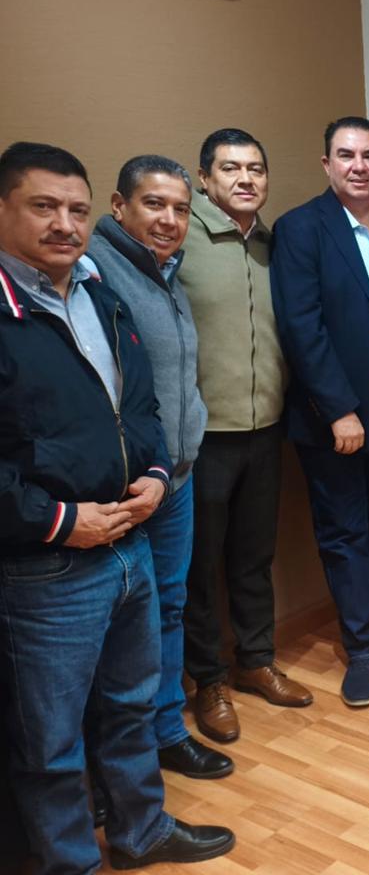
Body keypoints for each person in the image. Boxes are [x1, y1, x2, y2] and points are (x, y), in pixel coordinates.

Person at [0, 141, 234, 871]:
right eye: (43, 207)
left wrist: (158, 474)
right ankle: (73, 861)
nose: (64, 224)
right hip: (47, 565)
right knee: (50, 743)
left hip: (130, 537)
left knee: (131, 705)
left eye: (74, 209)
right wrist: (60, 521)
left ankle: (141, 832)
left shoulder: (98, 296)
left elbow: (140, 407)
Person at [272, 116, 369, 706]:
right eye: (346, 155)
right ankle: (361, 646)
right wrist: (338, 409)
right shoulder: (301, 229)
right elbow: (302, 327)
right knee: (344, 530)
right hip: (336, 417)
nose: (358, 166)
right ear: (327, 164)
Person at [86, 156, 234, 778]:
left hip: (176, 475)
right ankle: (118, 759)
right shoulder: (94, 271)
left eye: (179, 208)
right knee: (125, 626)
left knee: (170, 607)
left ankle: (167, 731)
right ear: (120, 206)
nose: (169, 219)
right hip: (123, 488)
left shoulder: (167, 271)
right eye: (154, 204)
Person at [178, 128, 312, 744]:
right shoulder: (181, 239)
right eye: (230, 168)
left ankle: (256, 661)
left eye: (256, 168)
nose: (246, 179)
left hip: (266, 428)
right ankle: (209, 680)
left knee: (254, 557)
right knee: (201, 567)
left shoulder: (271, 242)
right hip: (206, 436)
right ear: (205, 178)